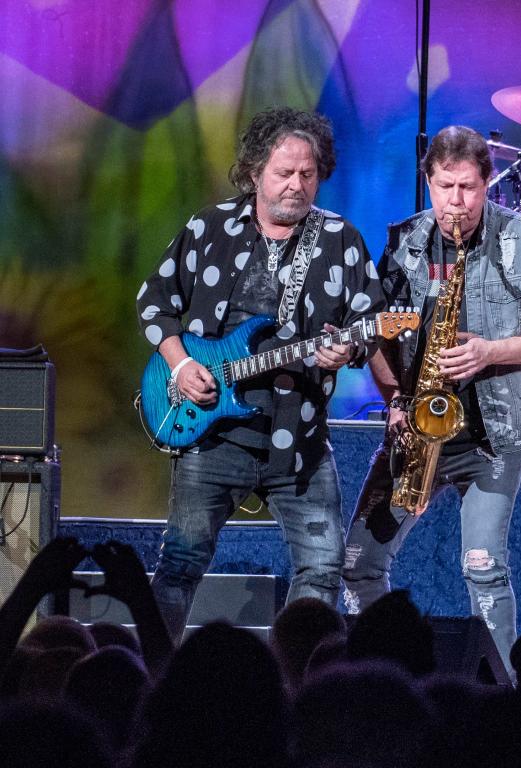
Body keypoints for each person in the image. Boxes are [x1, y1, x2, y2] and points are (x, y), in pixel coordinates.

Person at [136, 107, 385, 641]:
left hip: (299, 438)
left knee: (321, 569)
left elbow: (370, 323)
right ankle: (150, 681)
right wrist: (181, 366)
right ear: (254, 172)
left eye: (308, 174)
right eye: (284, 173)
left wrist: (348, 352)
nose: (297, 185)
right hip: (211, 432)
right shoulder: (208, 229)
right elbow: (154, 303)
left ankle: (298, 686)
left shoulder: (340, 240)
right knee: (179, 566)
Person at [341, 125, 521, 668]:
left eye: (468, 188)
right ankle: (391, 678)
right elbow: (374, 332)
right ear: (428, 182)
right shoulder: (403, 243)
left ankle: (500, 696)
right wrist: (395, 399)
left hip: (492, 435)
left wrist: (490, 352)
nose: (456, 203)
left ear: (488, 183)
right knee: (357, 564)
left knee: (483, 566)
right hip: (417, 431)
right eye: (445, 188)